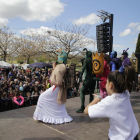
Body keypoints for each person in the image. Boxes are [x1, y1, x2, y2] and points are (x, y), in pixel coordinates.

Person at [84, 65, 139, 140]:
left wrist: (96, 99)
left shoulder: (108, 102)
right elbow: (115, 95)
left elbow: (86, 111)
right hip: (133, 135)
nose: (106, 84)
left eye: (106, 82)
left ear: (111, 85)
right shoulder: (125, 93)